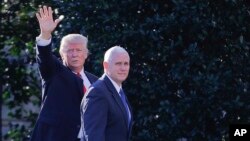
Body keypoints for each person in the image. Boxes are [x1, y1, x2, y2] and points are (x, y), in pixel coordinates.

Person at [30, 5, 98, 141]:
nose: (74, 54)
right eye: (69, 50)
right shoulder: (54, 72)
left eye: (78, 50)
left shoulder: (96, 82)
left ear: (86, 54)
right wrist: (45, 34)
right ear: (61, 54)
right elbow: (45, 56)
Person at [80, 46, 133, 141]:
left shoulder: (118, 91)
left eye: (126, 64)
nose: (123, 68)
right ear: (106, 65)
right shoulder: (97, 93)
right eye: (118, 64)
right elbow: (94, 137)